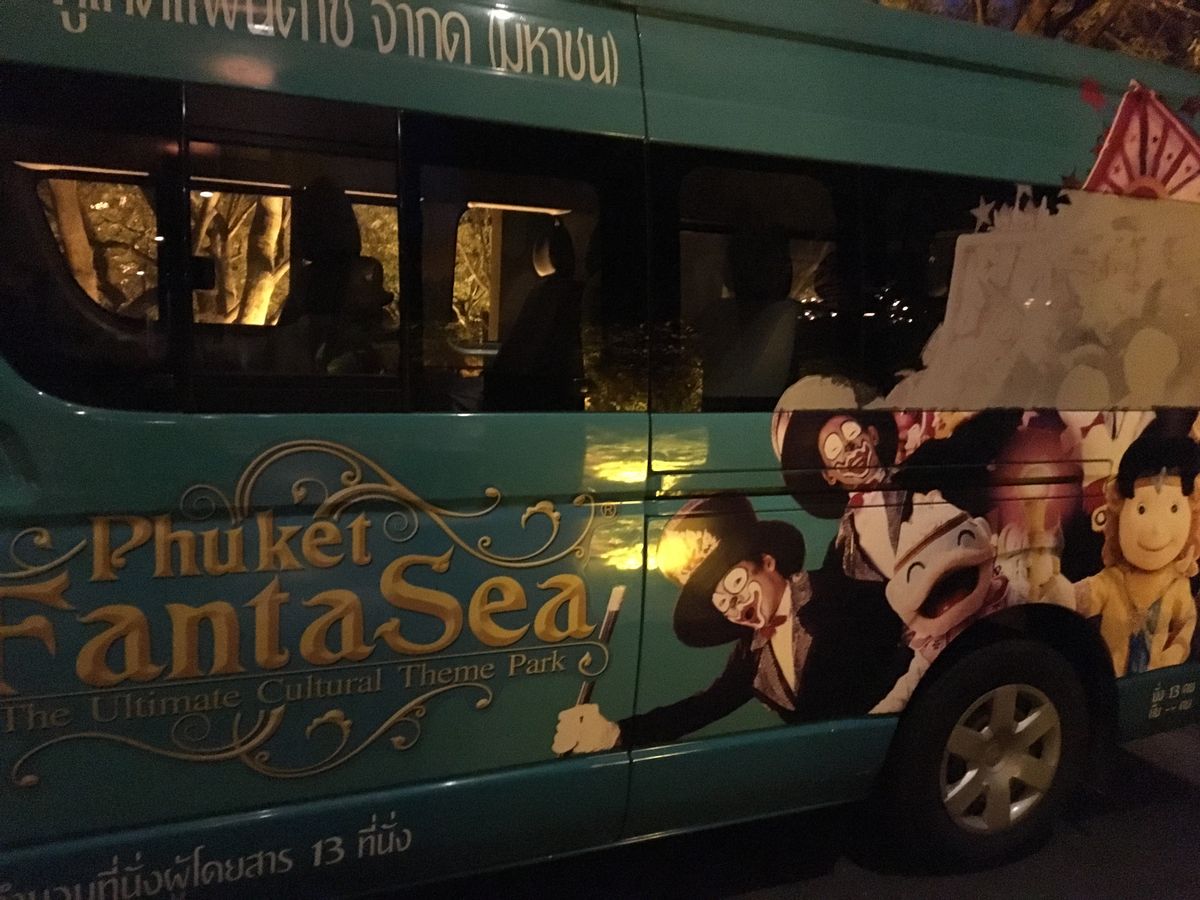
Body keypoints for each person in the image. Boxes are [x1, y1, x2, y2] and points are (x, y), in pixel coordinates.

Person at [551, 496, 906, 754]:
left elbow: (903, 639)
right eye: (720, 601)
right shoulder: (751, 655)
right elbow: (705, 706)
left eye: (735, 582)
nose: (734, 604)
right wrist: (614, 733)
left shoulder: (837, 590)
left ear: (767, 562)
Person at [1074, 434, 1200, 675]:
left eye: (1174, 508)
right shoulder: (1112, 581)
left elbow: (1186, 622)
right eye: (1141, 509)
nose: (1156, 530)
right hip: (1113, 677)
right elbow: (1079, 599)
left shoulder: (1177, 587)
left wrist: (1176, 650)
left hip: (1152, 679)